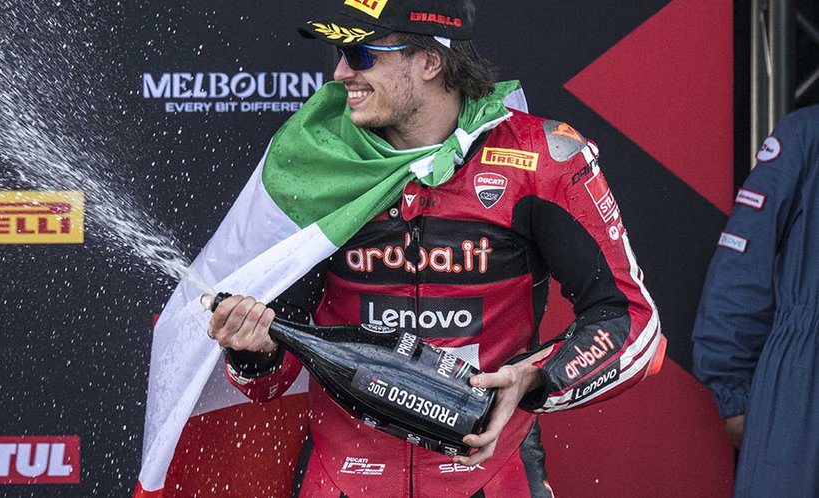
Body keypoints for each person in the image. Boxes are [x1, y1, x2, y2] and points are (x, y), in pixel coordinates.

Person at [207, 1, 665, 496]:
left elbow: (631, 320)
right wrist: (252, 350)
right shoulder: (317, 163)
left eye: (360, 55)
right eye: (340, 54)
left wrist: (532, 378)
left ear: (429, 61)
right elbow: (269, 380)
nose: (340, 74)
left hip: (494, 476)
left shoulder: (541, 159)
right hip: (341, 478)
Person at [692, 105, 819, 497]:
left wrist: (734, 395)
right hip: (802, 381)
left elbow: (740, 264)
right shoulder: (806, 134)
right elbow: (742, 261)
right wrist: (733, 392)